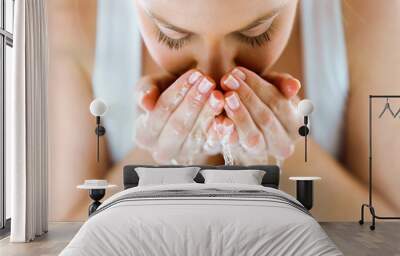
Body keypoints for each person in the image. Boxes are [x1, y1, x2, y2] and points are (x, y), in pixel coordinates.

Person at [47, 0, 400, 221]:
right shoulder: (67, 15)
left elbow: (388, 236)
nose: (214, 75)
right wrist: (166, 158)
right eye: (171, 35)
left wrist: (281, 152)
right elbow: (59, 238)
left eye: (257, 32)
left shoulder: (373, 11)